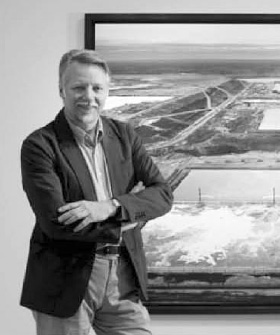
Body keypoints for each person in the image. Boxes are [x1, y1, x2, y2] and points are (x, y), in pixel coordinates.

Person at [20, 49, 173, 335]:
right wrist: (128, 218)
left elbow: (162, 194)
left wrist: (110, 206)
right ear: (61, 90)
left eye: (97, 88)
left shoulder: (124, 135)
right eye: (79, 87)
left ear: (107, 91)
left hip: (123, 277)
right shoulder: (40, 145)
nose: (88, 97)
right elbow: (56, 222)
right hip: (65, 281)